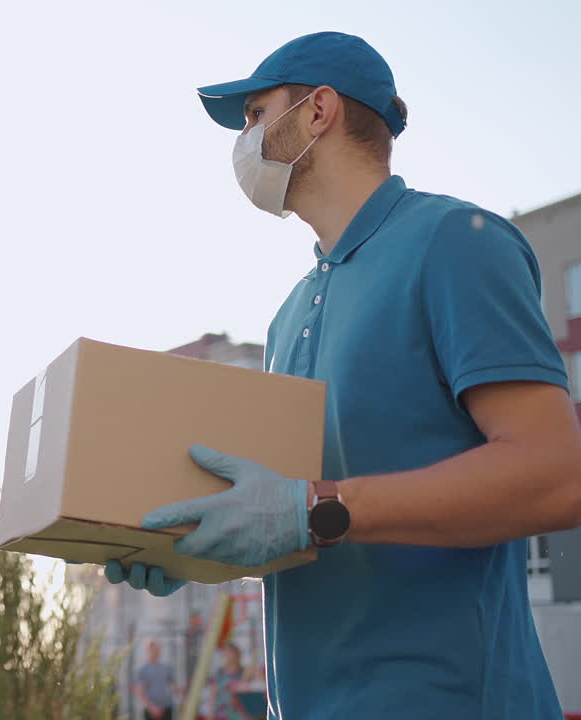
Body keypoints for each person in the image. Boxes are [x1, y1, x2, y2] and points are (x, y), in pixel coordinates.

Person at [104, 31, 581, 719]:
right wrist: (197, 550)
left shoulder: (455, 243)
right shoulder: (288, 314)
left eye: (255, 114)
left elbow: (558, 476)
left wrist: (309, 509)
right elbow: (308, 524)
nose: (244, 138)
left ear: (318, 111)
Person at [206, 644, 254, 720]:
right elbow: (212, 695)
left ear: (237, 654)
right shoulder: (219, 674)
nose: (229, 655)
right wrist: (210, 712)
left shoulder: (245, 673)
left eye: (231, 653)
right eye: (227, 653)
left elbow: (250, 690)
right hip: (222, 712)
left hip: (240, 712)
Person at [134, 639, 176, 720]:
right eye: (153, 649)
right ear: (148, 651)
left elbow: (175, 686)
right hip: (151, 711)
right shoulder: (143, 670)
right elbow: (139, 692)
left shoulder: (166, 667)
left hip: (167, 709)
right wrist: (152, 707)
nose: (156, 652)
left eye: (158, 649)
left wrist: (184, 699)